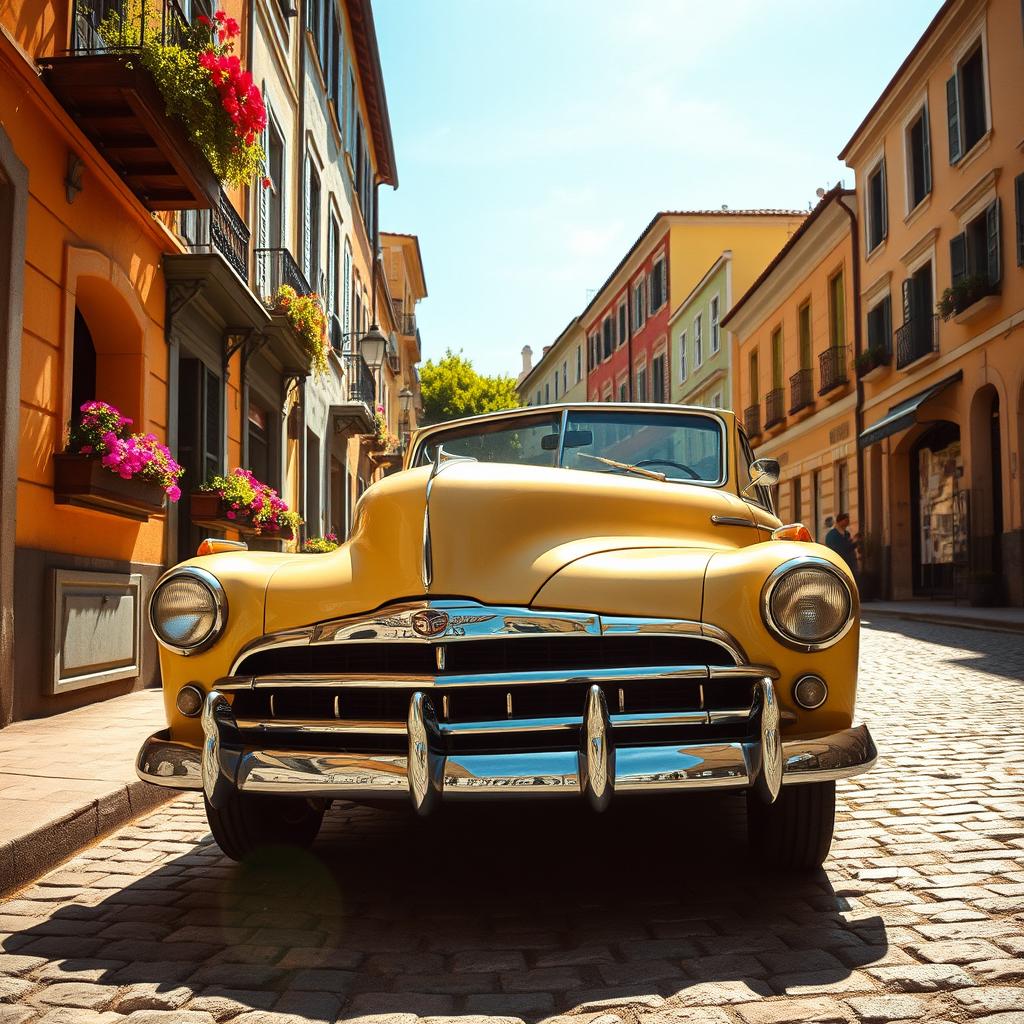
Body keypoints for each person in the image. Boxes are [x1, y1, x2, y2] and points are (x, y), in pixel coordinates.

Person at [824, 511, 860, 580]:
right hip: (839, 563)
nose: (848, 522)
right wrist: (853, 543)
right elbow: (839, 548)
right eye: (846, 520)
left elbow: (848, 547)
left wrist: (854, 543)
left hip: (850, 564)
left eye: (848, 520)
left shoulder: (847, 534)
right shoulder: (832, 534)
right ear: (840, 521)